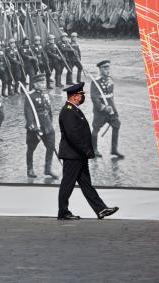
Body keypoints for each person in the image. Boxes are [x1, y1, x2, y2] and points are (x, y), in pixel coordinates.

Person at [57, 82, 119, 220]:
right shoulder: (68, 111)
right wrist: (86, 151)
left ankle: (101, 209)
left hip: (78, 155)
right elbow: (73, 135)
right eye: (81, 95)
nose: (82, 97)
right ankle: (63, 212)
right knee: (67, 184)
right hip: (73, 155)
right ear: (74, 96)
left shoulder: (73, 109)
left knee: (86, 184)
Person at [24, 74, 58, 179]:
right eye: (40, 82)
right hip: (36, 127)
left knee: (51, 146)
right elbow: (28, 112)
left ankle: (48, 169)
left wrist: (50, 122)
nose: (43, 84)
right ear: (34, 84)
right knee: (31, 149)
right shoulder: (30, 96)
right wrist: (33, 126)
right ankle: (30, 169)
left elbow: (49, 109)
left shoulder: (46, 94)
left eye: (43, 82)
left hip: (47, 125)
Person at [91, 60, 124, 158]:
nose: (107, 70)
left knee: (116, 124)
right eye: (105, 68)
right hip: (100, 111)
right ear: (100, 69)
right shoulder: (96, 82)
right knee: (96, 128)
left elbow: (111, 96)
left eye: (108, 68)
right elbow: (94, 98)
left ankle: (114, 150)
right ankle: (94, 149)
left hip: (111, 109)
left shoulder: (110, 79)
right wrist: (104, 108)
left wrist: (114, 109)